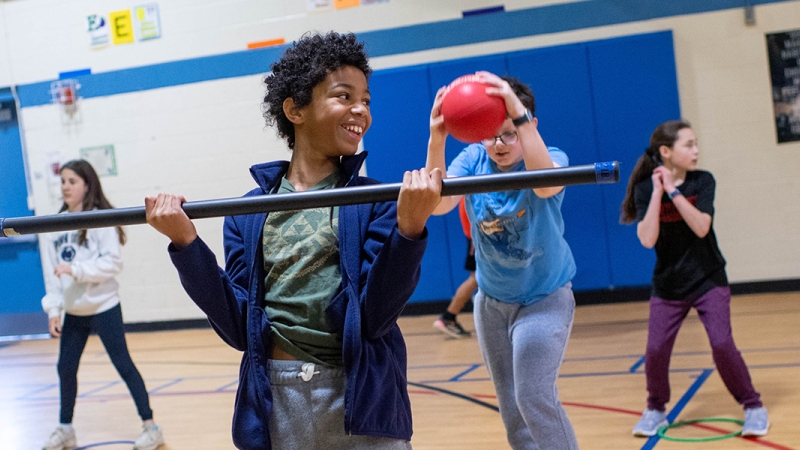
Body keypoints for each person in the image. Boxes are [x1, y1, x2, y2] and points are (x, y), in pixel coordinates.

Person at [144, 32, 441, 450]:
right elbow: (236, 326)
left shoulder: (374, 201)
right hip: (276, 402)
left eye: (366, 100)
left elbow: (376, 317)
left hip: (360, 399)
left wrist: (409, 232)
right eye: (344, 96)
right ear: (295, 109)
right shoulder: (247, 213)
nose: (361, 110)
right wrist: (187, 245)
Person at [426, 72, 579, 450]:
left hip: (544, 299)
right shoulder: (474, 158)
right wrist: (437, 138)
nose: (500, 144)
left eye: (509, 132)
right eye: (491, 134)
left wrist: (517, 112)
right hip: (492, 304)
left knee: (533, 397)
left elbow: (546, 185)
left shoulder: (549, 158)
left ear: (529, 125)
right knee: (512, 408)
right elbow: (441, 203)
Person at [620, 119, 769, 437]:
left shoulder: (703, 181)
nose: (696, 150)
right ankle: (656, 410)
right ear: (666, 152)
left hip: (708, 278)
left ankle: (753, 406)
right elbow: (646, 239)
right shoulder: (646, 189)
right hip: (668, 284)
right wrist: (659, 192)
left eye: (696, 143)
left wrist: (673, 191)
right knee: (656, 350)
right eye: (689, 145)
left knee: (721, 343)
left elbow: (701, 227)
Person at [41, 160, 164, 450]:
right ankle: (65, 428)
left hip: (103, 307)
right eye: (63, 182)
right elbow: (51, 275)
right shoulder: (53, 225)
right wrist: (54, 310)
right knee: (65, 368)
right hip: (73, 311)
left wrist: (77, 270)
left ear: (87, 184)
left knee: (123, 365)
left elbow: (112, 263)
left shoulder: (100, 219)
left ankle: (151, 426)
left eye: (72, 181)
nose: (66, 187)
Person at [433, 198, 476, 338]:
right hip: (478, 239)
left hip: (477, 238)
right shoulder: (470, 196)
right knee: (476, 278)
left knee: (478, 279)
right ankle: (448, 317)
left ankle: (449, 317)